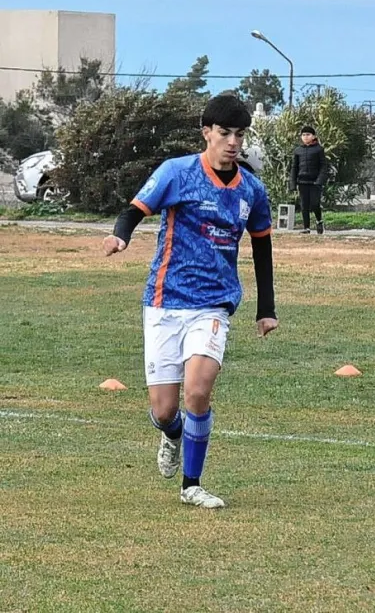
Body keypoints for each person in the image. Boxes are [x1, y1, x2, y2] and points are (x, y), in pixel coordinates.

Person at [103, 94, 279, 509]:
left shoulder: (251, 190)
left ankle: (191, 485)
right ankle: (171, 434)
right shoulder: (177, 173)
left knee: (198, 392)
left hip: (213, 305)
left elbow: (263, 248)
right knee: (165, 410)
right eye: (224, 133)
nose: (233, 142)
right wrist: (119, 235)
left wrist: (266, 308)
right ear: (207, 133)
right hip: (165, 301)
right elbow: (134, 210)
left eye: (240, 134)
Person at [290, 125, 330, 235]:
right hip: (302, 182)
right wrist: (292, 183)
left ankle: (319, 221)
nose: (305, 137)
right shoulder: (298, 150)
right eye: (303, 135)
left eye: (308, 135)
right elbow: (294, 167)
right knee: (304, 205)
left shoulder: (319, 149)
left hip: (315, 182)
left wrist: (320, 180)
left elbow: (323, 166)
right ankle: (306, 227)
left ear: (313, 136)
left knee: (315, 204)